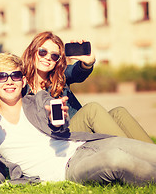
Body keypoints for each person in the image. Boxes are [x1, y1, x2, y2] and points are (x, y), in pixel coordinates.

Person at [0, 53, 156, 188]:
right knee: (117, 158)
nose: (9, 82)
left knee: (145, 150)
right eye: (1, 76)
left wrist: (57, 120)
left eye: (14, 76)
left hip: (86, 145)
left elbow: (60, 126)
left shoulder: (37, 100)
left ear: (22, 81)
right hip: (68, 167)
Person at [22, 31, 153, 143]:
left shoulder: (59, 77)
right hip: (58, 136)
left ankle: (152, 157)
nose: (47, 58)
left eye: (54, 55)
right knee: (92, 110)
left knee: (119, 113)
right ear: (32, 50)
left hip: (78, 126)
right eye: (43, 52)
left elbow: (76, 72)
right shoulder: (20, 83)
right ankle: (131, 159)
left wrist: (87, 63)